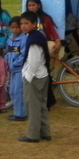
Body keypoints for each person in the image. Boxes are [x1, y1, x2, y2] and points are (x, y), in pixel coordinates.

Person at [18, 11, 53, 143]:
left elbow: (34, 60)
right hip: (42, 75)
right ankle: (45, 132)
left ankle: (33, 135)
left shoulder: (33, 39)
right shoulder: (37, 36)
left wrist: (28, 76)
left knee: (32, 107)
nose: (23, 26)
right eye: (21, 23)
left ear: (34, 24)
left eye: (26, 23)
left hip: (35, 77)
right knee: (41, 106)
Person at [5, 16, 27, 121]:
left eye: (16, 27)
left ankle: (21, 114)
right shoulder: (9, 39)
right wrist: (6, 61)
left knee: (19, 91)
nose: (14, 30)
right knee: (13, 91)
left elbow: (23, 55)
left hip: (19, 69)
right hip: (12, 70)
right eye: (12, 27)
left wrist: (14, 64)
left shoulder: (23, 39)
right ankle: (16, 112)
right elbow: (8, 52)